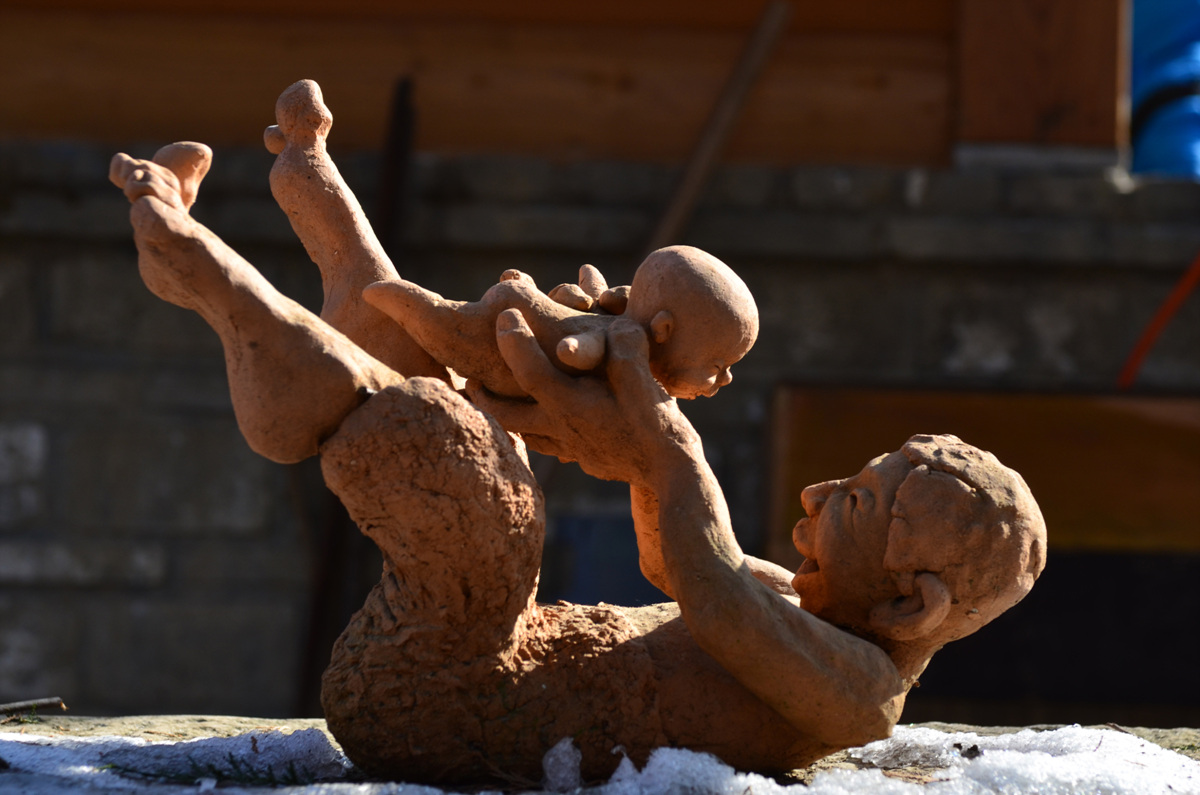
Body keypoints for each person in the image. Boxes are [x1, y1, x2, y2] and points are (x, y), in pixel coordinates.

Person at [108, 82, 1046, 786]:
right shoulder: (795, 600)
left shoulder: (854, 690)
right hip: (486, 653)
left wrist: (665, 442)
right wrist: (628, 425)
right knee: (455, 388)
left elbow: (709, 586)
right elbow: (672, 557)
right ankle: (309, 181)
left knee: (456, 461)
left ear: (908, 605)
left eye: (858, 502)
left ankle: (192, 262)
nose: (817, 492)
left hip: (448, 701)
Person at [362, 242, 758, 401]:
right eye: (718, 364)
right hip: (501, 324)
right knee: (444, 328)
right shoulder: (612, 347)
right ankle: (399, 300)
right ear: (663, 330)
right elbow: (574, 349)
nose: (725, 380)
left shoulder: (633, 369)